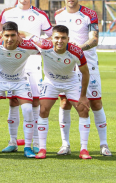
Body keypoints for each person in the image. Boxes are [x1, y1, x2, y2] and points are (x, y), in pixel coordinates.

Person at [54, 0, 111, 156]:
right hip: (66, 66)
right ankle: (65, 144)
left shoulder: (89, 14)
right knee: (65, 103)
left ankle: (103, 144)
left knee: (95, 103)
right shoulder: (58, 15)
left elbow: (94, 40)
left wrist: (77, 49)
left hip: (88, 64)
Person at [0, 0, 53, 154]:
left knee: (35, 101)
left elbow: (52, 37)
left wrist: (37, 45)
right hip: (12, 62)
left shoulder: (40, 15)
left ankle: (36, 142)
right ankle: (13, 141)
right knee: (13, 101)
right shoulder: (7, 14)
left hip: (33, 62)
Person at [29, 25, 91, 159]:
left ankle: (84, 149)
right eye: (56, 37)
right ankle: (42, 149)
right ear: (51, 38)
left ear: (68, 39)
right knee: (43, 110)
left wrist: (83, 96)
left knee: (83, 109)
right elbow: (25, 33)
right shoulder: (44, 45)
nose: (59, 41)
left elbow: (85, 72)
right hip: (51, 82)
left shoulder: (76, 51)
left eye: (63, 38)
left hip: (71, 82)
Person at [0, 21, 39, 158]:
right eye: (6, 35)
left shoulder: (27, 46)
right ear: (2, 35)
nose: (9, 39)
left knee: (28, 110)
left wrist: (27, 34)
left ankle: (28, 147)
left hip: (19, 80)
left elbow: (46, 45)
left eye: (13, 35)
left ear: (18, 36)